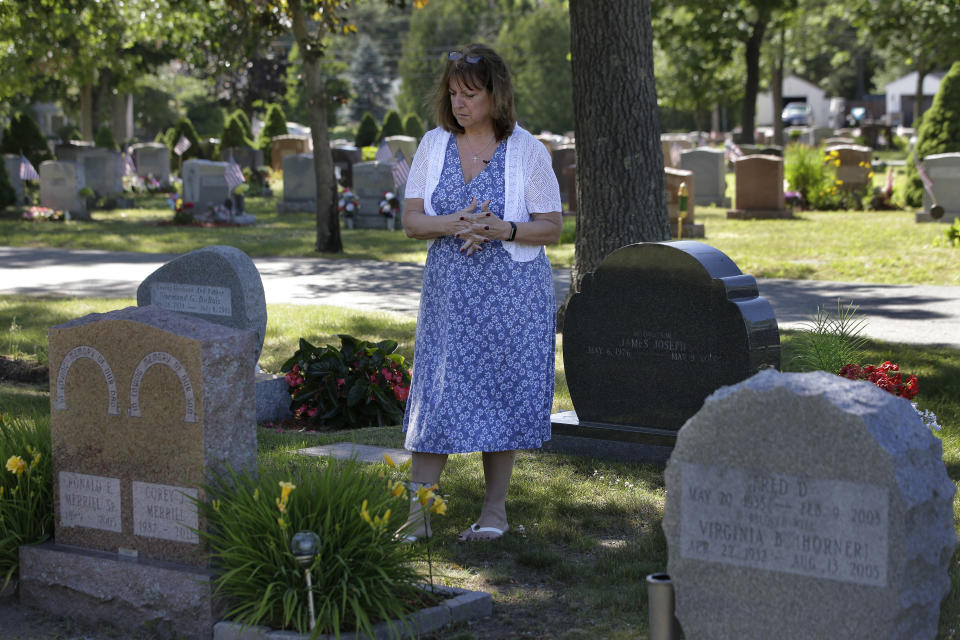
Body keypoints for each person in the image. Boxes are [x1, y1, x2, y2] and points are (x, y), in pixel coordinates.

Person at [400, 43, 562, 542]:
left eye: (469, 93)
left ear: (497, 95)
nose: (458, 103)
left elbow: (551, 227)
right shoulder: (433, 145)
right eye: (453, 93)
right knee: (438, 395)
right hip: (450, 295)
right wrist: (455, 224)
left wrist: (500, 229)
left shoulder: (527, 151)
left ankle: (494, 513)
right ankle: (418, 517)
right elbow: (411, 221)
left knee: (500, 392)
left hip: (511, 295)